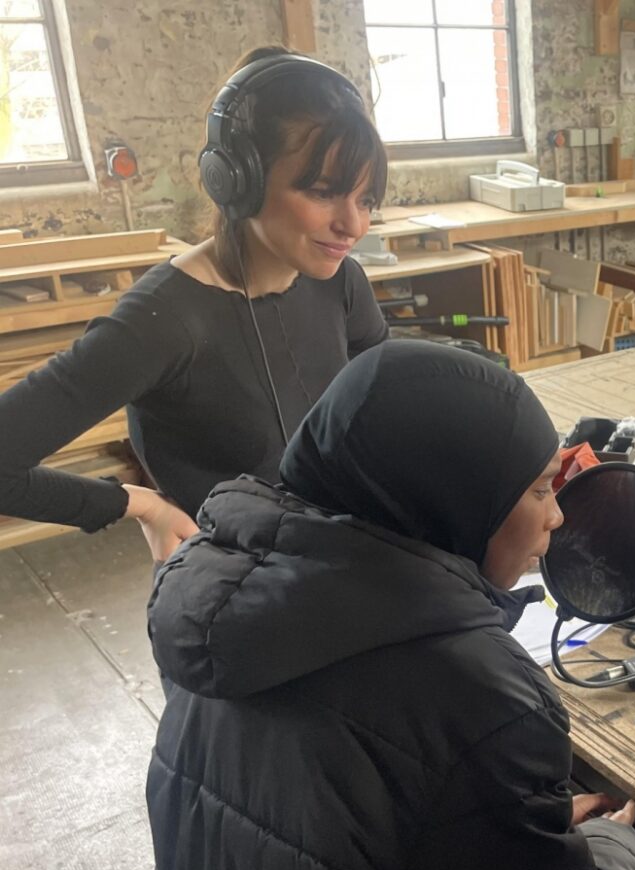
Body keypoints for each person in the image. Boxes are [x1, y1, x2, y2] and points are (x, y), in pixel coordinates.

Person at [144, 340, 635, 870]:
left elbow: (367, 814)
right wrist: (618, 844)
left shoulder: (223, 606)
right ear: (456, 496)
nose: (559, 518)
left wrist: (516, 829)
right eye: (541, 489)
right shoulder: (473, 692)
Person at [0, 46, 389, 563]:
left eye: (365, 200)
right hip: (236, 592)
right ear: (237, 180)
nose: (354, 226)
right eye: (322, 192)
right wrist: (137, 505)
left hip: (339, 559)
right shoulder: (162, 320)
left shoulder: (339, 281)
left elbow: (387, 397)